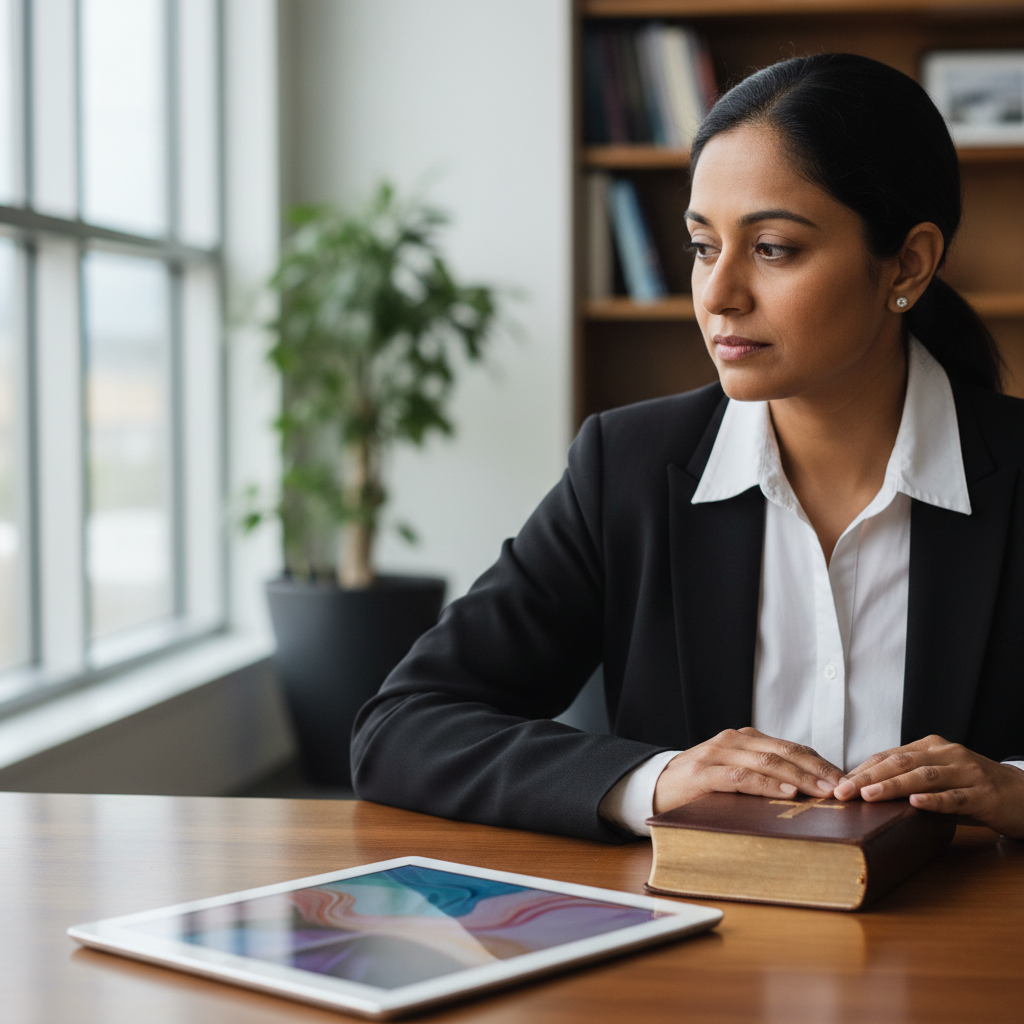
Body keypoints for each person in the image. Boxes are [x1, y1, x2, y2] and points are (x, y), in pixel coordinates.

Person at [351, 53, 1024, 842]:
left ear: (907, 263)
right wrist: (655, 778)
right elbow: (403, 725)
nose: (719, 292)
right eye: (705, 246)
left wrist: (1015, 791)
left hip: (962, 955)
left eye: (772, 247)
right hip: (699, 948)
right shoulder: (626, 467)